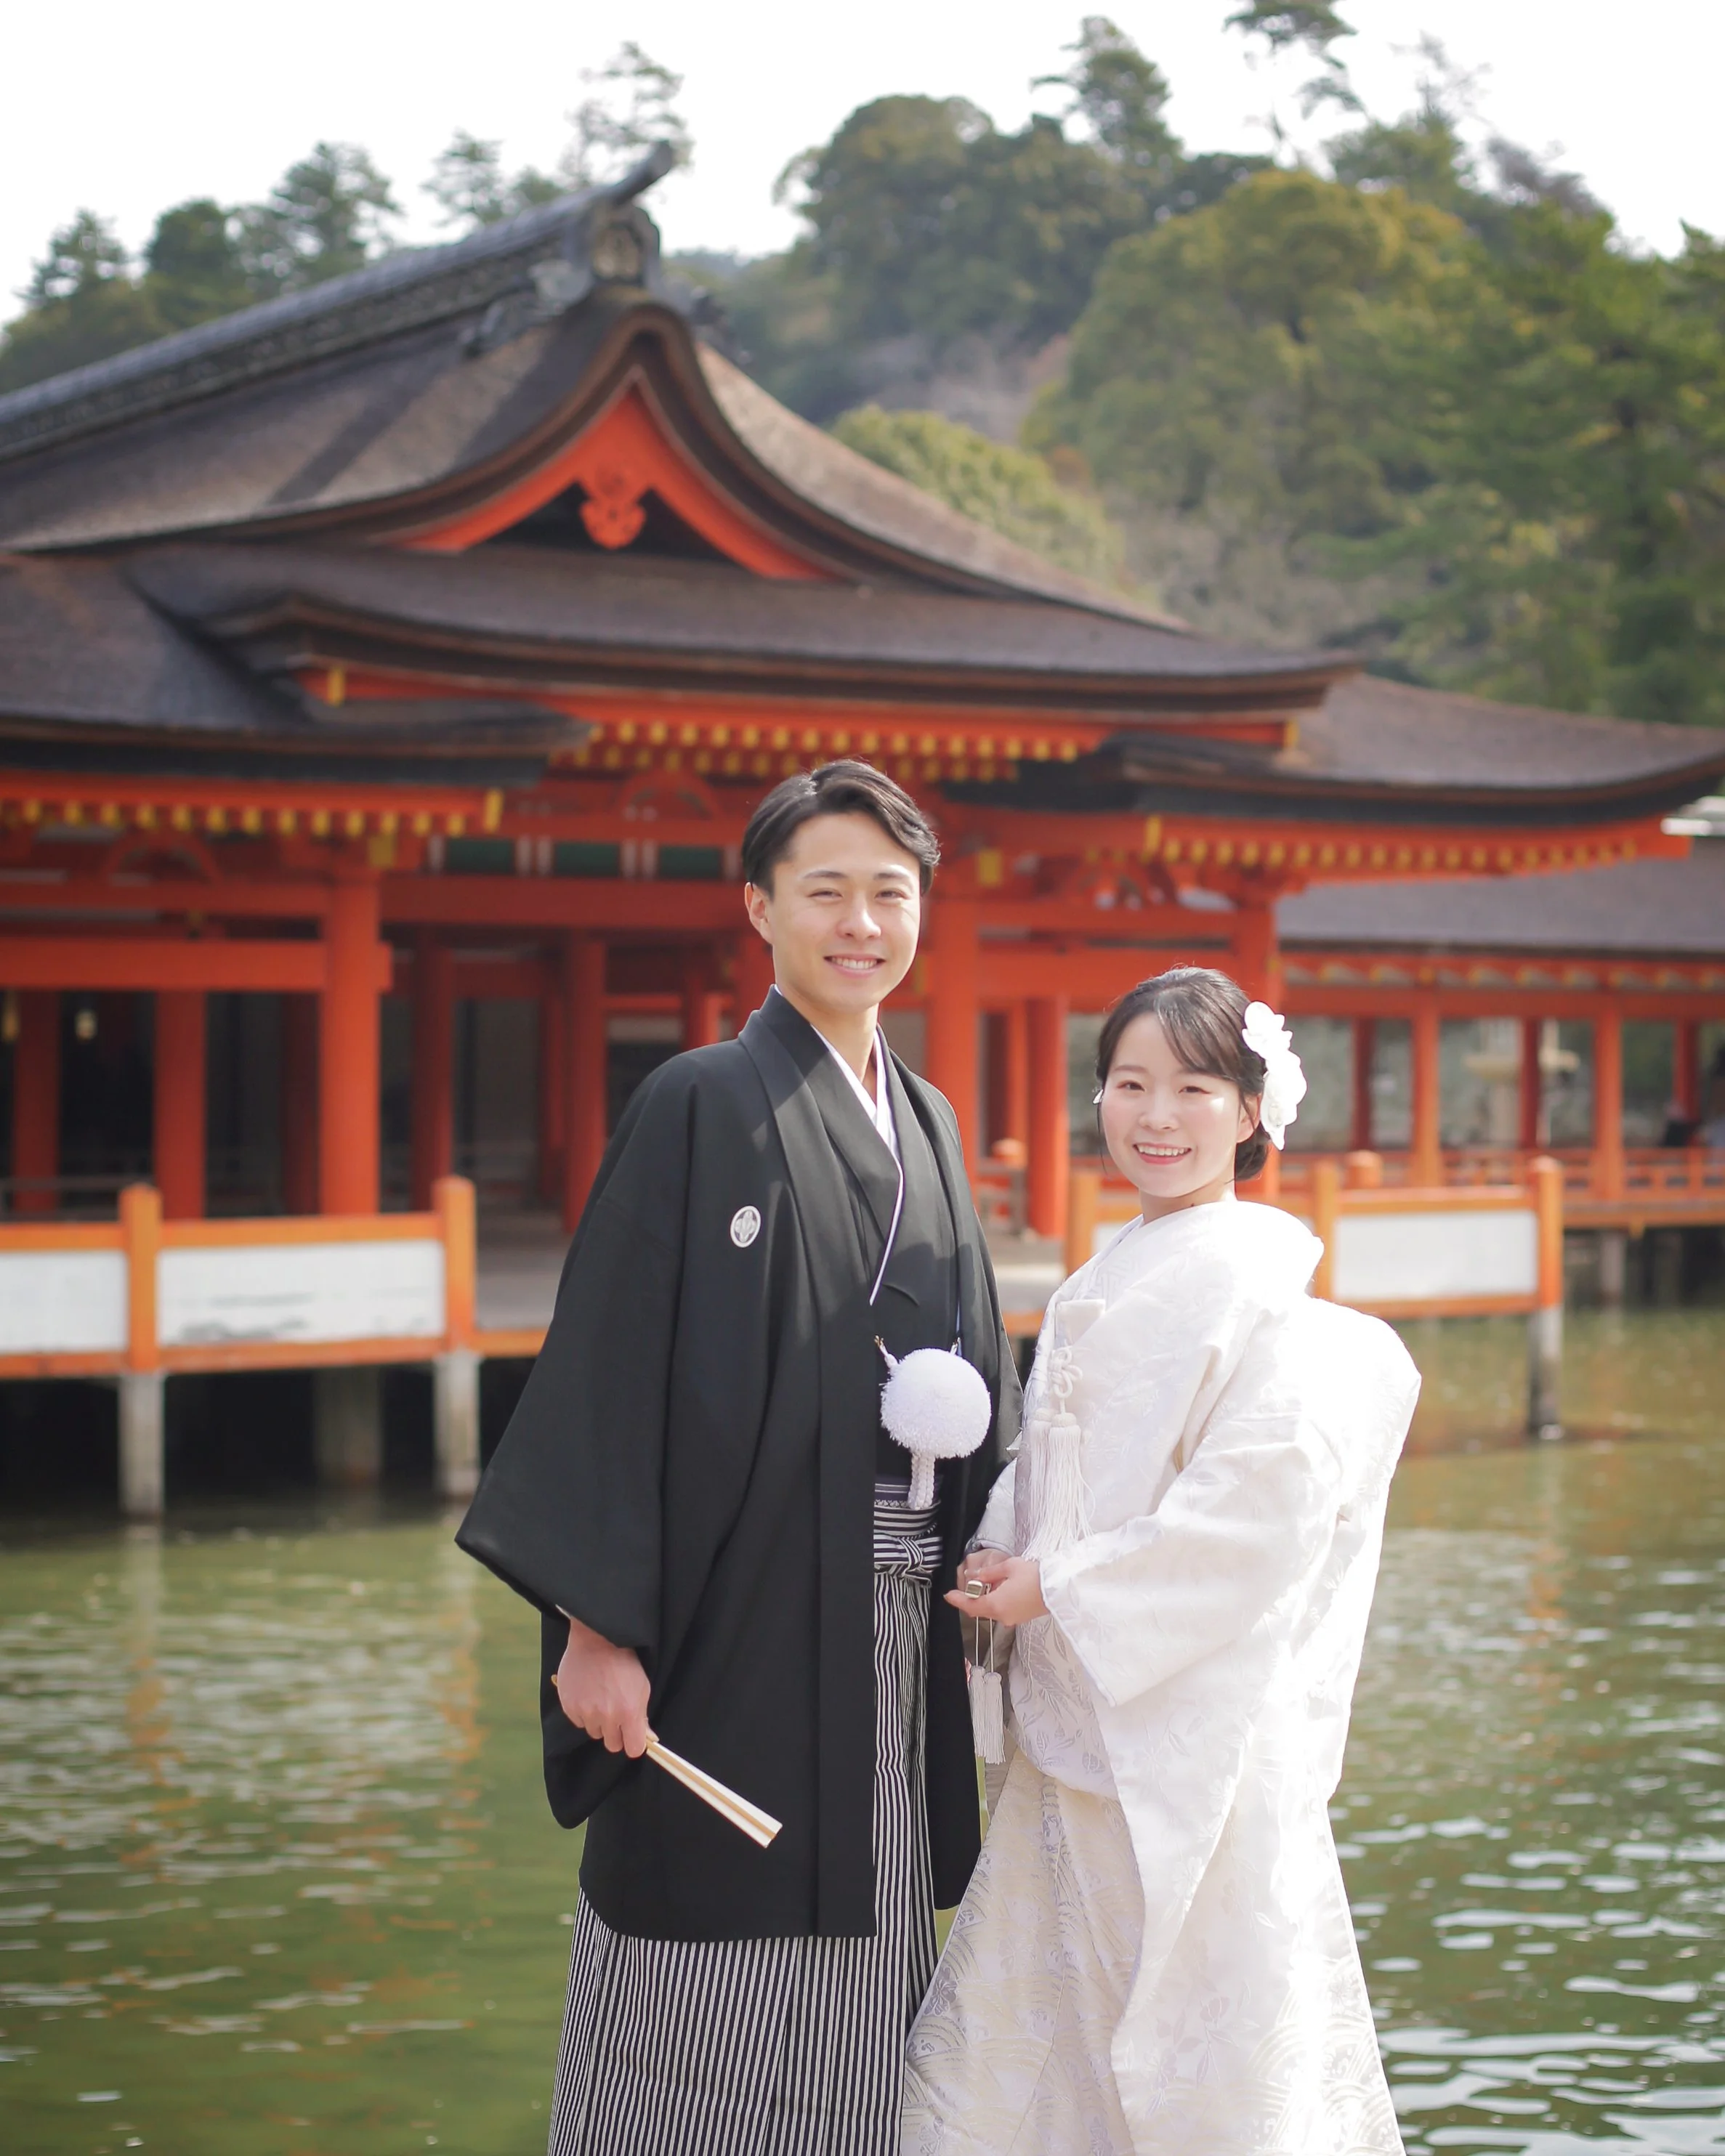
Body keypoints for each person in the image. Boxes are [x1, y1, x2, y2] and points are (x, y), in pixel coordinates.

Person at [456, 761, 1018, 2156]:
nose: (860, 921)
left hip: (892, 1624)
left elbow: (983, 1375)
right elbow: (609, 1373)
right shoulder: (702, 1102)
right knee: (707, 1929)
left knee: (875, 1928)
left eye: (890, 893)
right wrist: (595, 1628)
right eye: (824, 890)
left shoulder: (933, 1121)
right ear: (758, 906)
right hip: (730, 1622)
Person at [903, 966, 1421, 2155]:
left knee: (1196, 2054)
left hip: (1187, 1734)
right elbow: (1049, 1466)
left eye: (1192, 1086)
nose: (1155, 1114)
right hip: (1077, 1715)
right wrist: (998, 1551)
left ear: (1249, 1113)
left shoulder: (1266, 1291)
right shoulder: (1107, 1269)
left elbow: (1257, 1512)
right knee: (1048, 2034)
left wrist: (1060, 1588)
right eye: (1128, 1083)